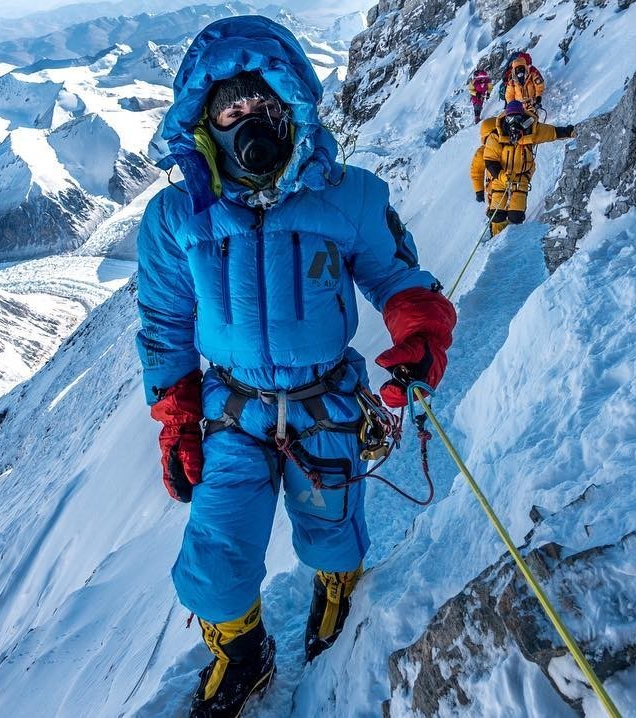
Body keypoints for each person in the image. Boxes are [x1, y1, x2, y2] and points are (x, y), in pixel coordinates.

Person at [136, 15, 457, 717]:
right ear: (204, 120)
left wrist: (420, 333)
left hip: (326, 404)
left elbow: (400, 281)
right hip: (233, 412)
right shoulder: (174, 218)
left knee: (332, 533)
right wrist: (176, 418)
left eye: (264, 105)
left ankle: (335, 592)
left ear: (292, 110)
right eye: (231, 108)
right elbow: (163, 323)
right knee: (215, 560)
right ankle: (243, 652)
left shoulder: (349, 197)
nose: (248, 120)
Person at [470, 100, 575, 237]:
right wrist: (498, 179)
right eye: (510, 118)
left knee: (516, 216)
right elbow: (490, 162)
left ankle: (511, 239)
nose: (513, 122)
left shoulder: (532, 130)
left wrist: (569, 131)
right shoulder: (497, 135)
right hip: (500, 179)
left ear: (522, 117)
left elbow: (552, 132)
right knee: (497, 214)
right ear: (506, 118)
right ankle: (496, 238)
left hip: (521, 179)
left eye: (517, 118)